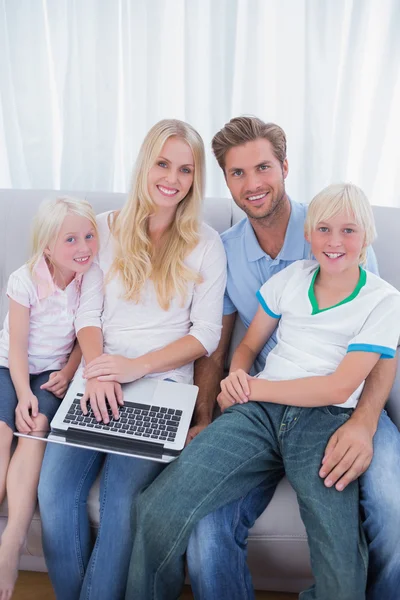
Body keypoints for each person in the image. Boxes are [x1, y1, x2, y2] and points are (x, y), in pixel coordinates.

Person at [128, 117, 400, 600]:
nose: (253, 184)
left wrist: (363, 421)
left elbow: (376, 356)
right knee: (197, 529)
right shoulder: (231, 253)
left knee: (388, 506)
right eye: (238, 173)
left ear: (284, 168)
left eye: (263, 168)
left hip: (341, 408)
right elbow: (225, 341)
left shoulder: (338, 236)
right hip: (257, 403)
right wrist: (211, 409)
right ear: (225, 181)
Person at [37, 119, 227, 600]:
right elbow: (89, 311)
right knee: (55, 497)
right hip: (98, 376)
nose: (173, 178)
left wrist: (135, 368)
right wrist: (99, 369)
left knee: (123, 503)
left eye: (185, 169)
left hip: (162, 387)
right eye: (163, 163)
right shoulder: (101, 227)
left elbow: (205, 335)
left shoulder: (206, 243)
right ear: (145, 164)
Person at [0, 196, 98, 600]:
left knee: (37, 427)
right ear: (47, 248)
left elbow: (86, 334)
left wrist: (70, 371)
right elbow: (18, 349)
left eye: (89, 236)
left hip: (54, 376)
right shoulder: (24, 280)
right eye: (71, 239)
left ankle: (13, 540)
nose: (84, 247)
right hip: (12, 368)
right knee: (4, 430)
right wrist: (22, 394)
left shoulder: (90, 278)